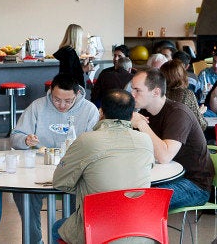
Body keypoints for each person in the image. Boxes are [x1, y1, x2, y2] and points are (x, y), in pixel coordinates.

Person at [51, 89, 154, 244]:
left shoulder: (87, 140)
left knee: (57, 228)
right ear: (132, 116)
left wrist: (86, 183)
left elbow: (60, 182)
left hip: (100, 233)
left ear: (101, 112)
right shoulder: (145, 140)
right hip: (142, 232)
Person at [10, 73, 99, 244]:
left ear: (77, 94)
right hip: (39, 167)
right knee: (22, 194)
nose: (62, 105)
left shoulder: (89, 110)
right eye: (57, 100)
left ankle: (72, 238)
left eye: (68, 101)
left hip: (75, 170)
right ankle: (34, 240)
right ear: (51, 91)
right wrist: (25, 140)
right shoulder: (37, 106)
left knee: (84, 194)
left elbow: (94, 145)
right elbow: (15, 137)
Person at [130, 69, 214, 209]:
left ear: (156, 92)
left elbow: (164, 156)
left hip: (194, 184)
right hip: (165, 176)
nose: (132, 95)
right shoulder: (144, 112)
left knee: (140, 201)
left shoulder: (178, 114)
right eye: (132, 89)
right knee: (120, 192)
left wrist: (141, 124)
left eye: (137, 90)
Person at [160, 60, 207, 131]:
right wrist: (199, 113)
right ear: (183, 75)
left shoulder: (157, 94)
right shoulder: (187, 94)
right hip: (181, 137)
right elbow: (201, 125)